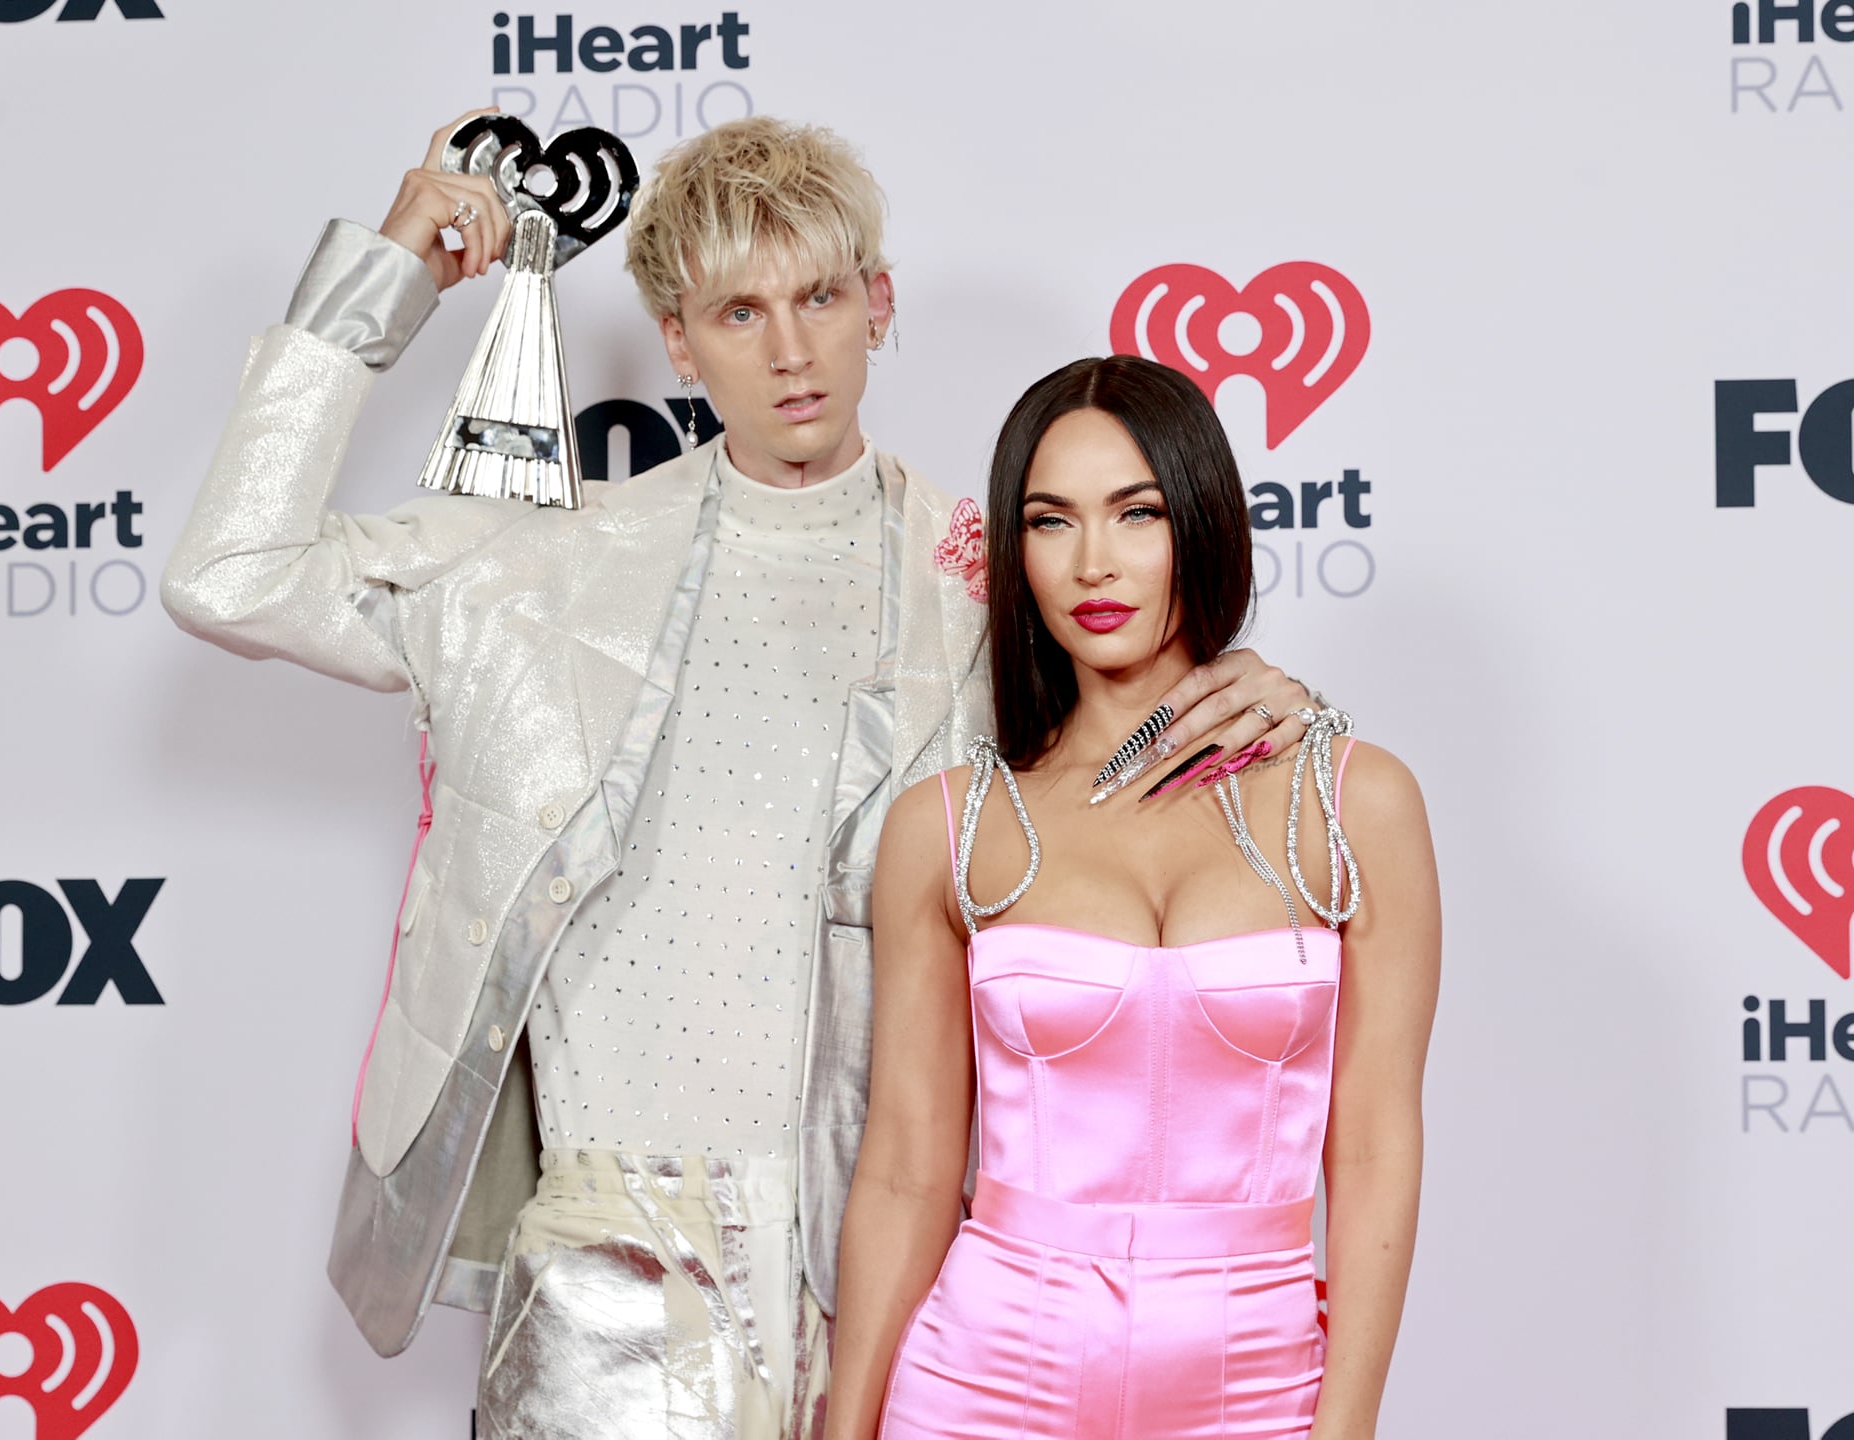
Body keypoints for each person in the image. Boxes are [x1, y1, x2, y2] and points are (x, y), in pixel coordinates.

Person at [162, 113, 1319, 1440]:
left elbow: (1143, 792)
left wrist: (1275, 703)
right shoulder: (540, 568)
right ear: (676, 337)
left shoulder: (991, 586)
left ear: (879, 304)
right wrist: (386, 281)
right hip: (612, 1262)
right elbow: (229, 575)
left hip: (908, 1268)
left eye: (821, 297)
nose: (789, 352)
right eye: (738, 311)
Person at [826, 356, 1440, 1440]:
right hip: (980, 1384)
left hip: (1259, 1389)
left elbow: (1375, 1148)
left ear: (1198, 524)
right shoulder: (948, 825)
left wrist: (1344, 1427)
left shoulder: (1356, 805)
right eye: (1050, 521)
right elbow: (906, 1170)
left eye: (1135, 513)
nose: (1092, 564)